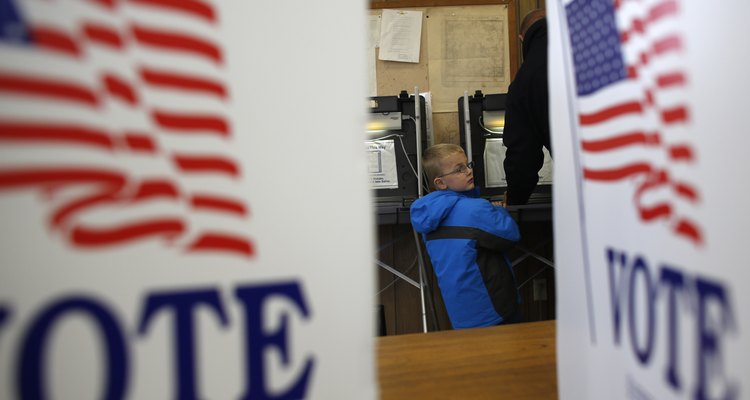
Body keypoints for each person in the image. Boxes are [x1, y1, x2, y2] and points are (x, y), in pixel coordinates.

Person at [410, 144, 521, 329]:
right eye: (459, 169)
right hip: (493, 308)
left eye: (467, 165)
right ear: (440, 183)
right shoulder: (476, 209)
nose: (469, 171)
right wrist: (499, 210)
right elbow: (510, 235)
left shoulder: (425, 214)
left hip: (459, 311)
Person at [503, 9, 551, 206]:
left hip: (593, 182)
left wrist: (515, 199)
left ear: (522, 38)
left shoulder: (525, 81)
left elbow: (522, 154)